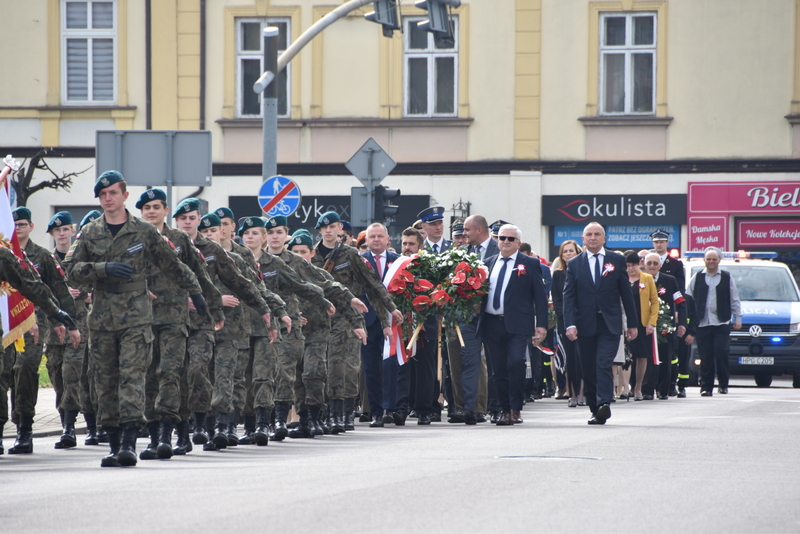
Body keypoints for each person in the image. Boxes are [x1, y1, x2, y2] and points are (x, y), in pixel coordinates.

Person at [64, 170, 207, 467]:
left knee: (132, 376)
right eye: (102, 195)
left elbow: (173, 264)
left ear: (125, 195)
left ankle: (129, 442)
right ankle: (114, 443)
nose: (107, 199)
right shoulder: (90, 231)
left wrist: (199, 293)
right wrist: (103, 269)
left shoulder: (144, 231)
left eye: (113, 193)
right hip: (102, 316)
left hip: (137, 317)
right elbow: (70, 269)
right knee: (104, 380)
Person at [136, 190, 224, 459]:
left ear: (165, 210)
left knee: (171, 373)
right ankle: (154, 437)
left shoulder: (179, 239)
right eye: (146, 207)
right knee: (149, 376)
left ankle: (167, 434)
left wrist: (213, 307)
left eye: (156, 207)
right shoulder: (133, 238)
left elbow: (198, 275)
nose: (151, 211)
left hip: (175, 319)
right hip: (142, 318)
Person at [312, 211, 402, 429]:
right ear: (320, 231)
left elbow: (372, 285)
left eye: (333, 226)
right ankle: (322, 413)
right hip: (320, 318)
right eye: (324, 228)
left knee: (345, 368)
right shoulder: (312, 256)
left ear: (340, 229)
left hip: (348, 318)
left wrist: (389, 311)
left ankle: (341, 412)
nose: (329, 231)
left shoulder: (350, 255)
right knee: (319, 367)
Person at [8, 206, 79, 455]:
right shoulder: (4, 252)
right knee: (5, 374)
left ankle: (24, 429)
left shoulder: (40, 256)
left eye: (23, 224)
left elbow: (57, 291)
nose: (19, 228)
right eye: (14, 224)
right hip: (5, 324)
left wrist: (68, 323)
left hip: (33, 325)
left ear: (31, 226)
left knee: (25, 368)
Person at [563, 222, 638, 425]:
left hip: (609, 322)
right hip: (584, 323)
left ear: (604, 238)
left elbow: (626, 294)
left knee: (603, 363)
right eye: (589, 234)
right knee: (588, 367)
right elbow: (568, 296)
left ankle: (604, 402)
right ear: (583, 239)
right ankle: (595, 408)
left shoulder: (616, 260)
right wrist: (569, 323)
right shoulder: (575, 263)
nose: (593, 237)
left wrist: (632, 324)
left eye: (597, 234)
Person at [479, 224, 548, 425]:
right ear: (497, 240)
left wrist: (541, 325)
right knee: (498, 369)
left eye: (510, 239)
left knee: (516, 362)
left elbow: (540, 297)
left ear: (518, 242)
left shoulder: (529, 264)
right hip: (492, 323)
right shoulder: (488, 263)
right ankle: (503, 409)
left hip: (518, 324)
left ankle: (515, 407)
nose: (506, 242)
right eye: (502, 238)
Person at [45, 211, 92, 450]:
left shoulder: (82, 258)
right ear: (52, 235)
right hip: (54, 331)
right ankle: (65, 419)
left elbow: (98, 287)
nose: (61, 234)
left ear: (73, 231)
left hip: (80, 327)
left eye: (65, 230)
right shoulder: (46, 260)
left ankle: (70, 427)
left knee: (73, 375)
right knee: (58, 378)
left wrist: (83, 294)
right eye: (57, 231)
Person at [685, 247, 742, 396]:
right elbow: (687, 298)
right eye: (708, 259)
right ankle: (706, 387)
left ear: (719, 261)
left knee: (721, 351)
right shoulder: (697, 277)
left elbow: (734, 299)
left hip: (721, 322)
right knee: (705, 355)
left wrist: (738, 317)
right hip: (703, 323)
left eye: (714, 259)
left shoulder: (726, 277)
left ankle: (723, 384)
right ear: (704, 260)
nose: (711, 262)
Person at [360, 222, 400, 427]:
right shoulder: (359, 261)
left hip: (393, 322)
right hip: (367, 321)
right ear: (366, 240)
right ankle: (376, 411)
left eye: (380, 236)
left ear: (387, 239)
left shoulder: (398, 262)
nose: (376, 239)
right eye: (372, 236)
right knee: (371, 368)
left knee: (391, 366)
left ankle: (390, 409)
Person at [642, 252, 687, 400]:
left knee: (666, 359)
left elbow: (681, 303)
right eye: (649, 263)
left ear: (660, 265)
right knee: (645, 359)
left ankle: (663, 390)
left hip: (665, 326)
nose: (652, 266)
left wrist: (681, 324)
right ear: (644, 264)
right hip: (644, 327)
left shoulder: (670, 280)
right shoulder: (640, 280)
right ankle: (646, 390)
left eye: (655, 263)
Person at [551, 240, 583, 407]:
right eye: (565, 251)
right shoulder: (558, 274)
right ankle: (572, 393)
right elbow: (556, 299)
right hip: (566, 321)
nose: (568, 254)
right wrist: (565, 317)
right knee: (570, 358)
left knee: (582, 358)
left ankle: (583, 393)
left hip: (583, 320)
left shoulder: (584, 271)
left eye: (571, 251)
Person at [623, 252, 658, 401]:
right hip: (625, 323)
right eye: (628, 266)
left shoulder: (647, 279)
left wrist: (651, 323)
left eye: (634, 265)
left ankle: (638, 387)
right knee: (625, 356)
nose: (631, 269)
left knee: (642, 356)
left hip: (642, 322)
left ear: (640, 265)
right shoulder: (622, 278)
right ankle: (625, 387)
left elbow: (654, 301)